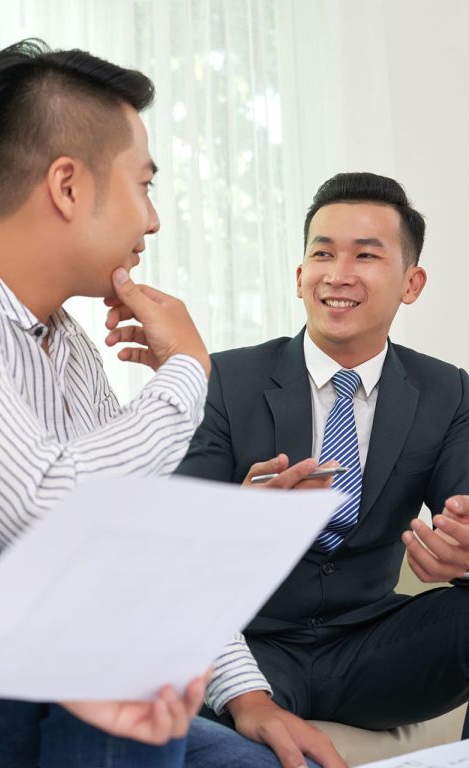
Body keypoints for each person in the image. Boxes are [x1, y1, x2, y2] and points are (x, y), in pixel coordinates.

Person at [0, 38, 332, 768]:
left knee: (263, 762)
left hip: (51, 674)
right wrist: (187, 369)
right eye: (144, 185)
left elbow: (135, 548)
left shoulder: (72, 351)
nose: (151, 221)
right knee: (102, 604)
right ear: (67, 186)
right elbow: (51, 511)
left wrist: (248, 696)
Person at [176, 172, 469, 750]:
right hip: (252, 645)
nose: (338, 275)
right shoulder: (226, 380)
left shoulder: (447, 391)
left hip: (375, 647)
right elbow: (175, 533)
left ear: (412, 283)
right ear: (299, 276)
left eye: (365, 255)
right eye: (323, 254)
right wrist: (240, 515)